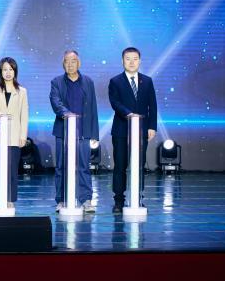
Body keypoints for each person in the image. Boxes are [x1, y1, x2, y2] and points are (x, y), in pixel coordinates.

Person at [108, 47, 158, 213]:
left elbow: (152, 106)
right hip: (121, 130)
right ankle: (119, 200)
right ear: (122, 61)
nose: (131, 62)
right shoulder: (115, 81)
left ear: (140, 61)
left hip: (141, 130)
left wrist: (152, 127)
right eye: (128, 59)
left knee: (139, 165)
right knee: (120, 166)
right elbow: (115, 102)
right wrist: (128, 114)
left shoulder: (147, 81)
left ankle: (137, 198)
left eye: (135, 59)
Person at [49, 50, 99, 212]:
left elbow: (93, 108)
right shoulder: (56, 82)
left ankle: (86, 199)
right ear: (63, 64)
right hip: (63, 132)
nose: (70, 64)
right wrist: (68, 114)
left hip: (83, 131)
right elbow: (55, 102)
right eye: (67, 61)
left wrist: (94, 133)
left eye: (73, 61)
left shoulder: (88, 82)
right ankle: (61, 200)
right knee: (61, 166)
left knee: (84, 166)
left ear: (79, 63)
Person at [0, 57, 28, 207]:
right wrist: (0, 115)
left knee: (11, 170)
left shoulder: (22, 91)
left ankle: (10, 199)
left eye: (11, 69)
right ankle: (1, 198)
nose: (8, 72)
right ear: (0, 71)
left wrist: (23, 136)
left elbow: (24, 115)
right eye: (5, 69)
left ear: (15, 71)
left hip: (14, 136)